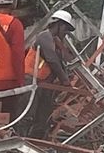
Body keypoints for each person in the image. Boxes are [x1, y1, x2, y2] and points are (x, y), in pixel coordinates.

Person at [23, 9, 75, 139]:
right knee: (28, 113)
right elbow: (52, 60)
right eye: (65, 28)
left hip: (44, 84)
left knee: (43, 115)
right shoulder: (44, 37)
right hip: (31, 80)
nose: (66, 33)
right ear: (58, 25)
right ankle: (21, 138)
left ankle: (37, 139)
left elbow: (61, 63)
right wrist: (65, 80)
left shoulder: (56, 42)